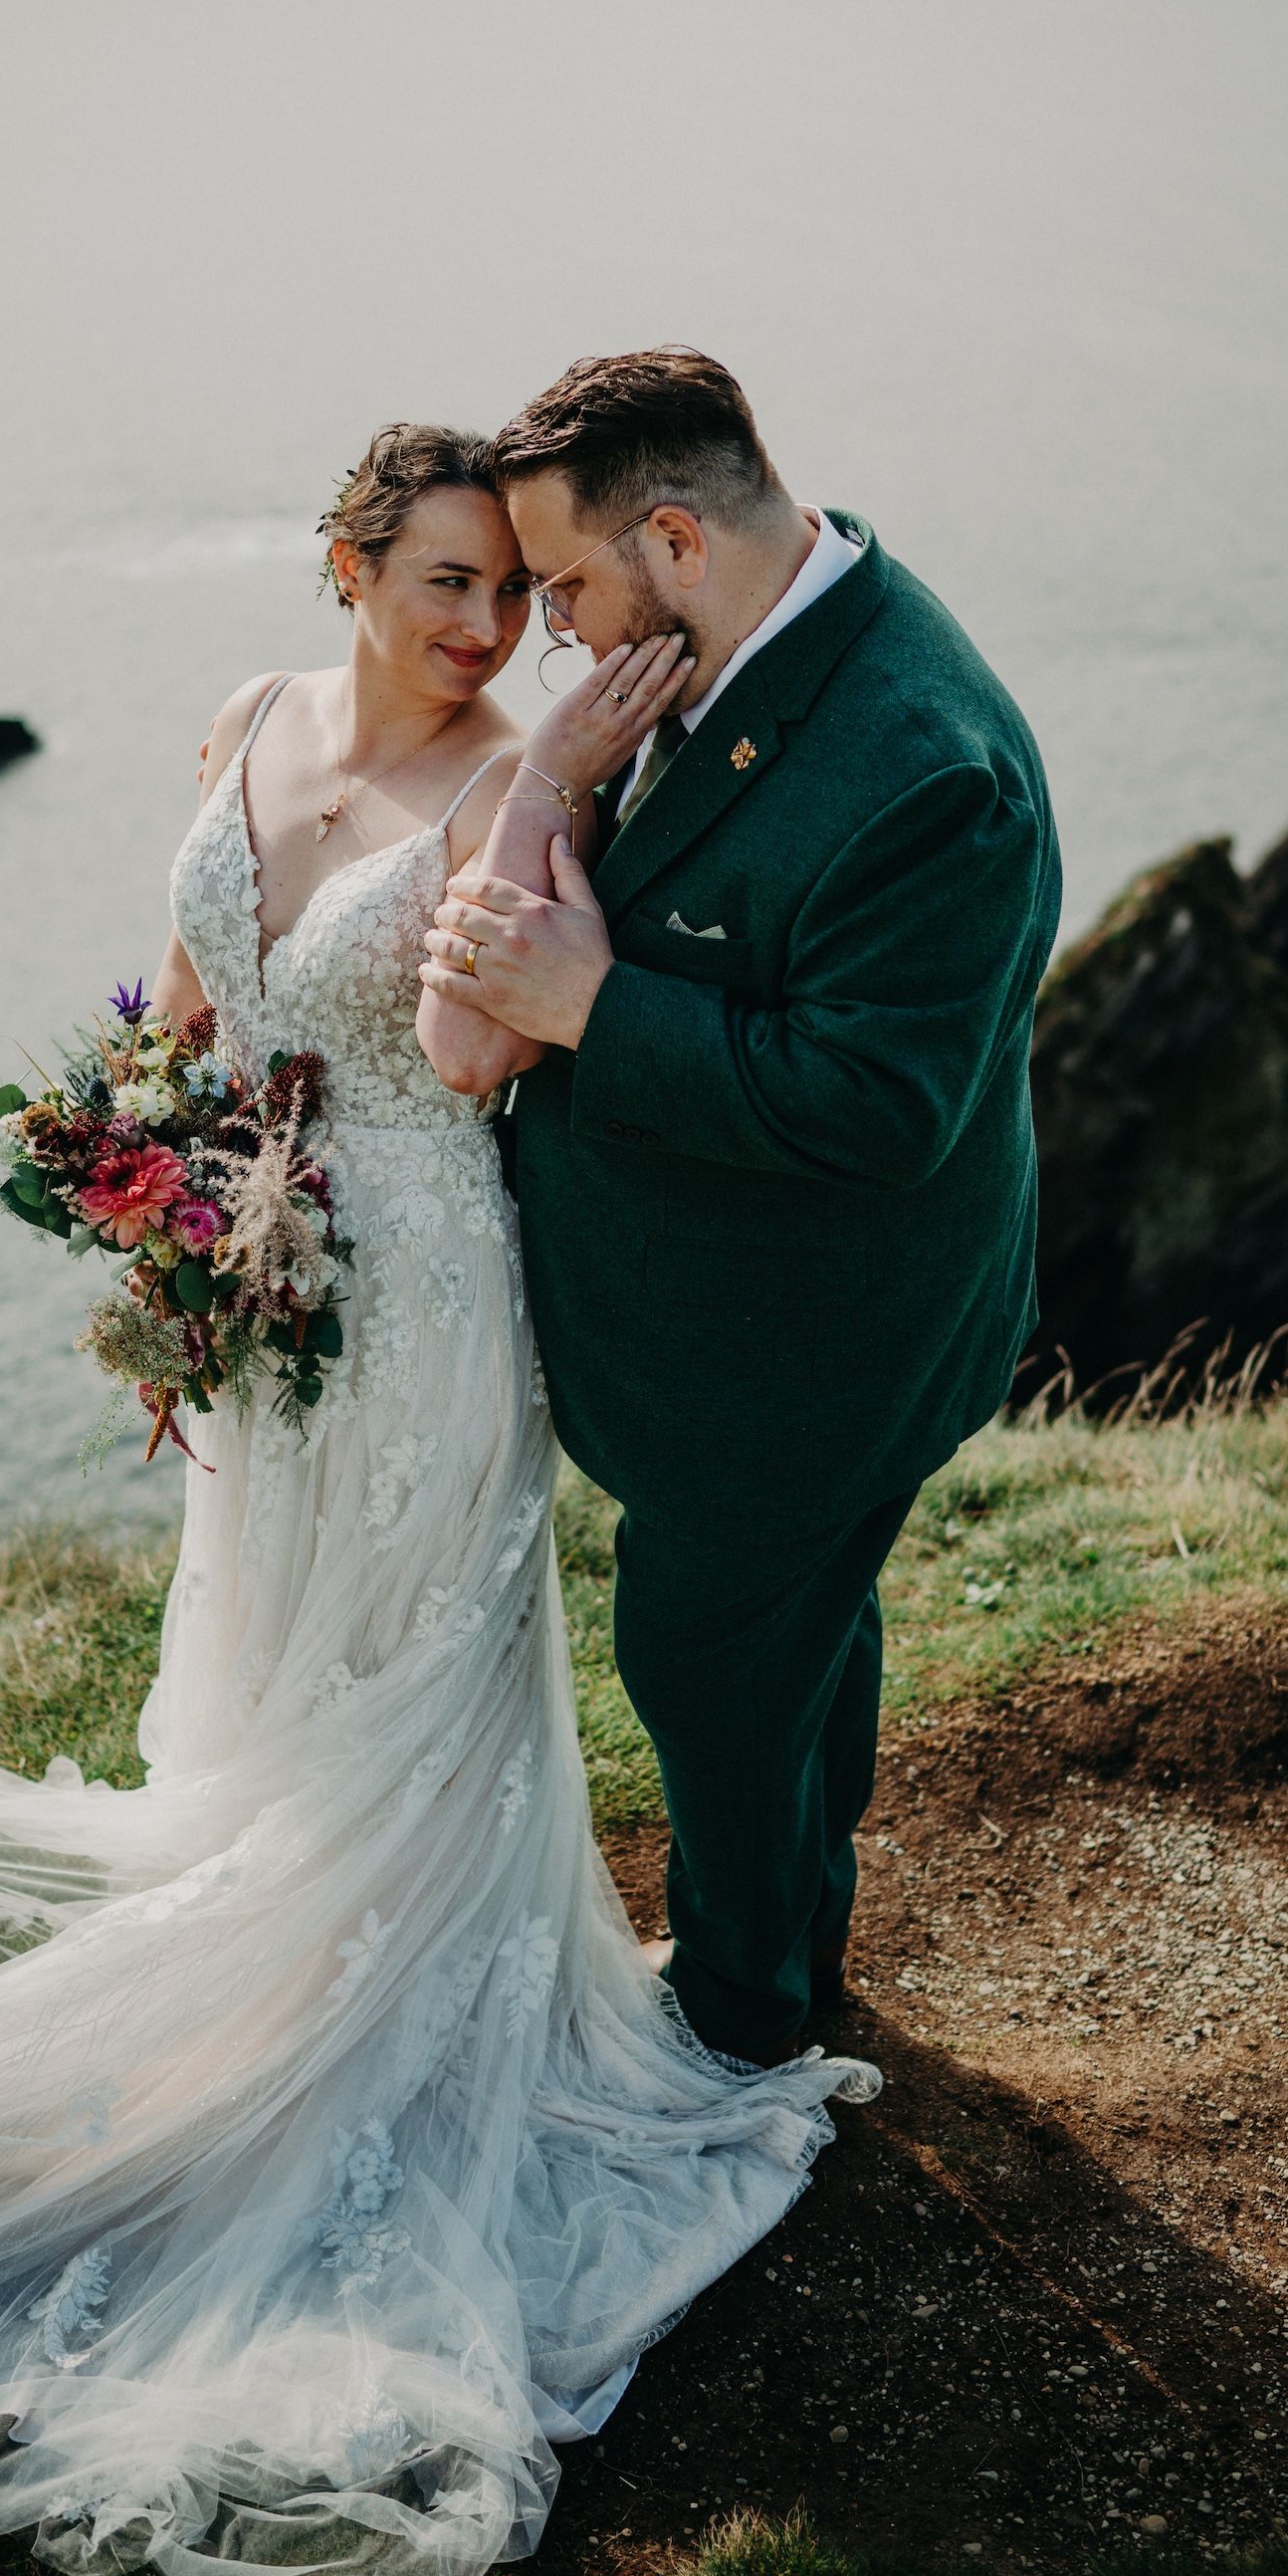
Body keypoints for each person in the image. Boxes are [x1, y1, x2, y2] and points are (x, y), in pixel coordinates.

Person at [0, 421, 879, 2576]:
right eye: (443, 582)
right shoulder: (245, 720)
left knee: (397, 1697)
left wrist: (550, 805)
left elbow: (480, 1059)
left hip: (417, 1313)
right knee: (265, 1665)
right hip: (258, 1293)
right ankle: (249, 1945)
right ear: (344, 570)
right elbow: (196, 990)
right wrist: (163, 1180)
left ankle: (345, 2011)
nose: (490, 627)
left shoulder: (525, 781)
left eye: (513, 590)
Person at [418, 350, 1062, 2072]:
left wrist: (589, 1007)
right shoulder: (726, 647)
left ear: (681, 540)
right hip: (732, 1338)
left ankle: (743, 2021)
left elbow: (882, 1106)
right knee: (793, 1648)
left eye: (564, 586)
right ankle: (797, 1922)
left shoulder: (926, 770)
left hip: (804, 1362)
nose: (548, 631)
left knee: (708, 1672)